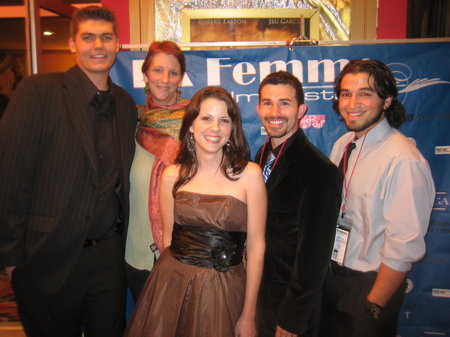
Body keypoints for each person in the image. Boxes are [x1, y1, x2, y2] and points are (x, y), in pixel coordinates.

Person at [0, 6, 137, 337]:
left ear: (117, 44)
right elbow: (9, 178)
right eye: (88, 37)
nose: (98, 46)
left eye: (106, 37)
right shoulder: (39, 92)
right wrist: (11, 258)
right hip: (48, 256)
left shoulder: (125, 104)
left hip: (107, 257)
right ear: (73, 43)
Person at [124, 86, 266, 337]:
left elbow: (256, 248)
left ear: (232, 128)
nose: (215, 129)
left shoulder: (249, 175)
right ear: (191, 124)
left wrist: (249, 313)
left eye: (224, 120)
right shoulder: (172, 176)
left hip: (224, 289)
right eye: (206, 118)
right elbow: (168, 240)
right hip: (174, 284)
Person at [319, 59, 435, 337]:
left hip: (369, 286)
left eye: (365, 93)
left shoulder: (403, 160)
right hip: (332, 278)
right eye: (346, 93)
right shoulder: (342, 145)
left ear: (386, 101)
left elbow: (403, 247)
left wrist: (373, 305)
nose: (352, 103)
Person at [256, 71, 341, 337]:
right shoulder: (258, 157)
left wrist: (292, 319)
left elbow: (313, 258)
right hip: (258, 296)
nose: (275, 111)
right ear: (258, 108)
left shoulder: (319, 170)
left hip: (287, 308)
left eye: (284, 103)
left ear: (301, 109)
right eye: (268, 103)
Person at [125, 40, 189, 302]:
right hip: (136, 253)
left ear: (181, 79)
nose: (165, 79)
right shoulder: (131, 122)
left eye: (173, 73)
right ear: (145, 75)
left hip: (183, 253)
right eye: (157, 71)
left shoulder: (196, 123)